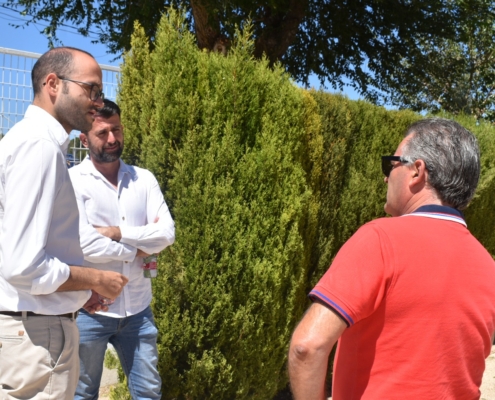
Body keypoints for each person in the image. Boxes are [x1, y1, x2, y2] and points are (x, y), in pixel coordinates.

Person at [288, 118, 495, 399]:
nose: (386, 176)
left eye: (392, 164)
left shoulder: (381, 239)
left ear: (417, 171)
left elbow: (307, 347)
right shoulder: (488, 266)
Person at [0, 47, 129, 400]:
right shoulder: (38, 147)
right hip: (37, 336)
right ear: (53, 84)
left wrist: (76, 293)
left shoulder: (30, 142)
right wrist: (95, 279)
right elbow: (23, 266)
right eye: (91, 89)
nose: (98, 102)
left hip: (33, 328)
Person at [69, 99, 175, 399]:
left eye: (116, 130)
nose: (112, 139)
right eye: (102, 133)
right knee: (83, 392)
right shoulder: (73, 182)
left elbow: (166, 234)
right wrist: (136, 248)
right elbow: (81, 242)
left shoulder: (144, 179)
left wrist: (116, 233)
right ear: (84, 138)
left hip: (139, 310)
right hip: (89, 308)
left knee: (148, 392)